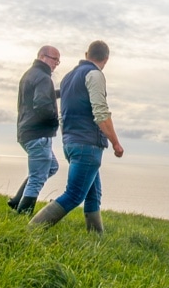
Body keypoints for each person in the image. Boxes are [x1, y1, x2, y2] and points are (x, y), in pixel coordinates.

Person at [29, 40, 123, 233]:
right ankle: (31, 230)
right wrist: (116, 143)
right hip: (87, 143)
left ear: (86, 54)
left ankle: (96, 239)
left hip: (71, 142)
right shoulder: (94, 74)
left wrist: (68, 138)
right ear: (106, 59)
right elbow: (101, 114)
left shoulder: (68, 77)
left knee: (93, 194)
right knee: (74, 194)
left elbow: (64, 113)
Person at [7, 45, 61, 215]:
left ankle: (17, 200)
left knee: (51, 167)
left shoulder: (30, 75)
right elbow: (43, 105)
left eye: (58, 61)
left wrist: (61, 93)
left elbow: (41, 96)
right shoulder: (44, 78)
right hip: (39, 134)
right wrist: (56, 121)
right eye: (55, 59)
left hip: (26, 132)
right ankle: (23, 213)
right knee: (38, 177)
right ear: (43, 57)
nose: (56, 64)